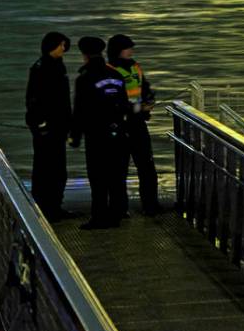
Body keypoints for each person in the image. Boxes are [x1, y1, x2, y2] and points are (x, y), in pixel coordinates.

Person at [70, 36, 130, 230]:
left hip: (96, 134)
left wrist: (75, 136)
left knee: (98, 177)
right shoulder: (116, 74)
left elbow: (80, 110)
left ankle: (99, 217)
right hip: (118, 131)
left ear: (84, 54)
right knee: (116, 174)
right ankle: (117, 213)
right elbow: (124, 104)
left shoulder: (85, 78)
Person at [107, 34, 161, 215]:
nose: (131, 51)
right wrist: (140, 107)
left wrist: (149, 99)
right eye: (127, 48)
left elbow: (144, 88)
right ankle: (119, 208)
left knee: (147, 166)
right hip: (120, 125)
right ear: (118, 50)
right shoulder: (110, 70)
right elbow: (114, 102)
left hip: (138, 123)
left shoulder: (135, 67)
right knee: (118, 169)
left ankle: (151, 205)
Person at [25, 31, 73, 221]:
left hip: (57, 126)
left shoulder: (54, 65)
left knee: (55, 168)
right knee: (48, 168)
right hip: (48, 128)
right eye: (61, 45)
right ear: (52, 46)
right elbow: (35, 99)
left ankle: (52, 206)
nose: (64, 48)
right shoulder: (43, 68)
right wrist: (41, 124)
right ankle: (47, 207)